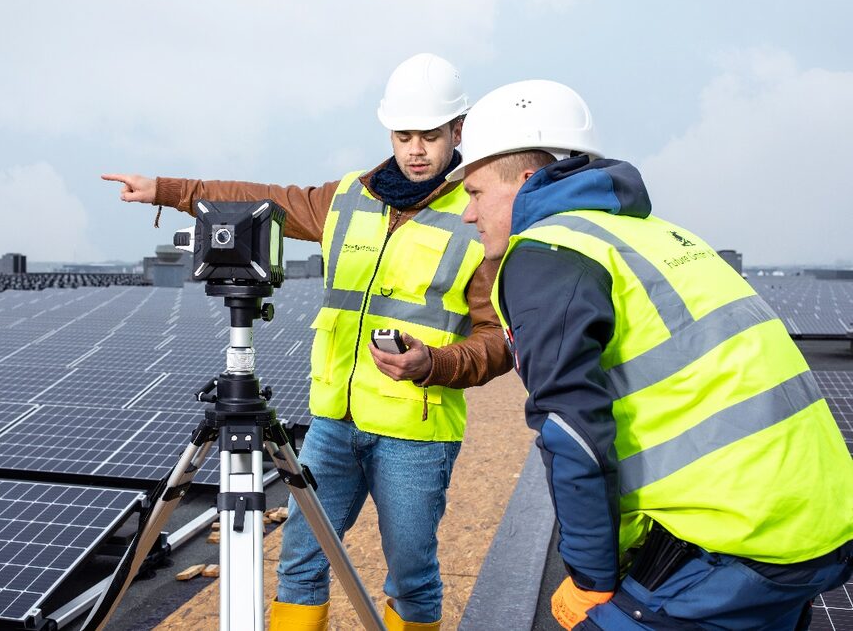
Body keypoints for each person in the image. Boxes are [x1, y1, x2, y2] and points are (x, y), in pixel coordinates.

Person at [104, 53, 513, 630]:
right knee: (299, 561)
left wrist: (434, 364)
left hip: (415, 434)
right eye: (404, 135)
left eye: (430, 135)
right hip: (332, 425)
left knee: (412, 576)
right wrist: (167, 189)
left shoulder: (475, 214)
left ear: (458, 132)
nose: (416, 149)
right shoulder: (346, 198)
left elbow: (498, 341)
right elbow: (256, 195)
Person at [453, 79, 853, 629]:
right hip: (819, 522)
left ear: (525, 181)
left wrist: (593, 580)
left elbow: (571, 433)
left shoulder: (548, 251)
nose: (468, 214)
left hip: (743, 541)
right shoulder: (657, 235)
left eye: (474, 193)